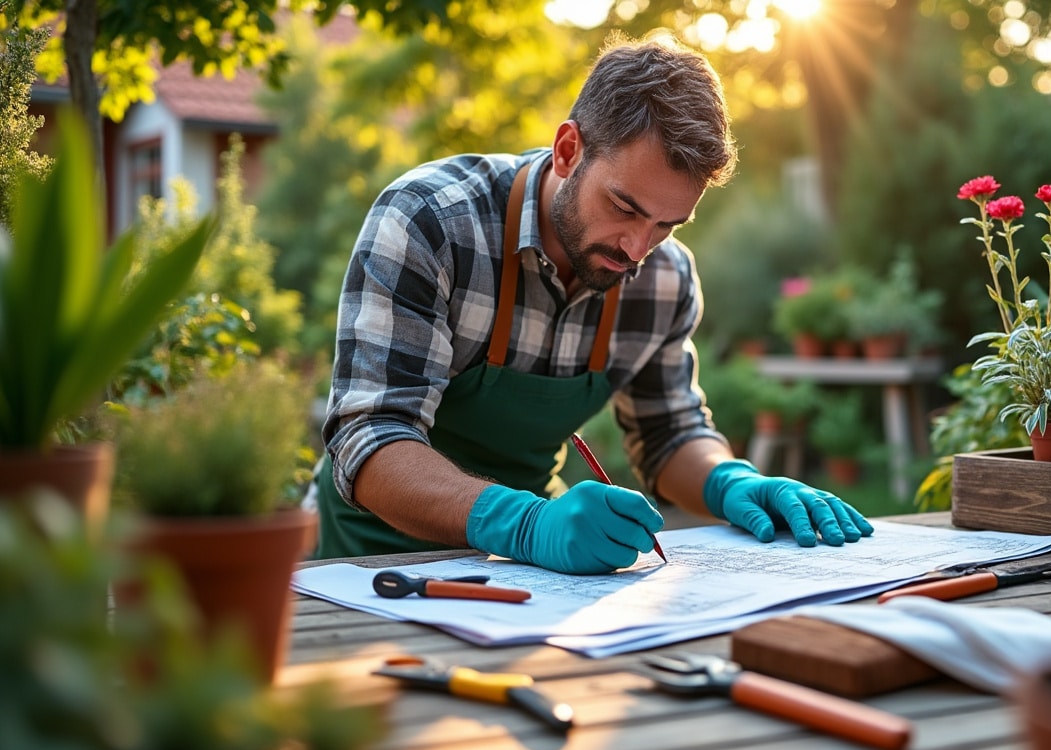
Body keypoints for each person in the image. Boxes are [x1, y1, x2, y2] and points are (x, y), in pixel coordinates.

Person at [314, 35, 874, 572]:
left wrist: (731, 481)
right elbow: (371, 438)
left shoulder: (665, 277)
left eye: (667, 224)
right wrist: (527, 524)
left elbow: (668, 433)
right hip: (372, 563)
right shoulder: (432, 222)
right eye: (624, 208)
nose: (637, 250)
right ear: (568, 150)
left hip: (524, 571)